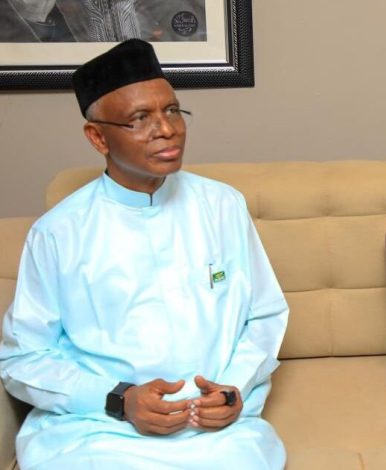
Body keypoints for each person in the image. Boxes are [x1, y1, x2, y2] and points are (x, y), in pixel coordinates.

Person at [0, 39, 288, 469]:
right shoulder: (58, 232)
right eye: (140, 119)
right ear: (98, 137)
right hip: (100, 429)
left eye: (172, 111)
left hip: (212, 429)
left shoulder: (223, 205)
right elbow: (23, 358)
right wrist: (120, 399)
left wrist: (233, 388)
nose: (167, 129)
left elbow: (264, 315)